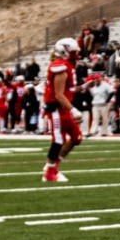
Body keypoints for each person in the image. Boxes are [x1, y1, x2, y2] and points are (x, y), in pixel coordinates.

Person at [40, 38, 83, 181]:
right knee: (58, 139)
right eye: (73, 52)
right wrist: (74, 110)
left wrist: (85, 86)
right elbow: (59, 95)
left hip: (64, 107)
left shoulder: (67, 66)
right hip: (57, 108)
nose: (76, 55)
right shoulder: (60, 67)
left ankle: (53, 166)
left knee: (76, 138)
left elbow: (68, 90)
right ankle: (49, 173)